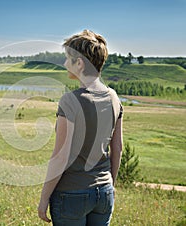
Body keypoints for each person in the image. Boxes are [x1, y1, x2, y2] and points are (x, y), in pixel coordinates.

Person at [38, 30, 123, 225]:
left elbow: (60, 157)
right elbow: (117, 148)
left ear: (80, 63)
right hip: (104, 192)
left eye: (68, 58)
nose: (64, 63)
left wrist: (44, 199)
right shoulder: (114, 97)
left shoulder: (70, 101)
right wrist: (110, 185)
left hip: (71, 195)